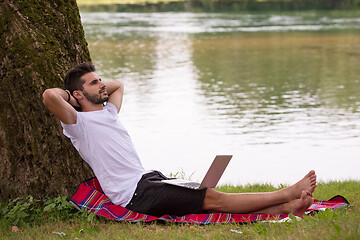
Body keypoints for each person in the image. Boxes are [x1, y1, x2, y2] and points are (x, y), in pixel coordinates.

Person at [43, 62, 317, 217]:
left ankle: (288, 207)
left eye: (99, 79)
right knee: (213, 198)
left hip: (148, 178)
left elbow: (119, 86)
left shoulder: (110, 112)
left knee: (203, 195)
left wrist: (95, 86)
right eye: (94, 83)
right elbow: (49, 96)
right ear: (77, 95)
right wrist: (71, 97)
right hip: (133, 194)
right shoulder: (78, 124)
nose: (103, 84)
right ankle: (287, 194)